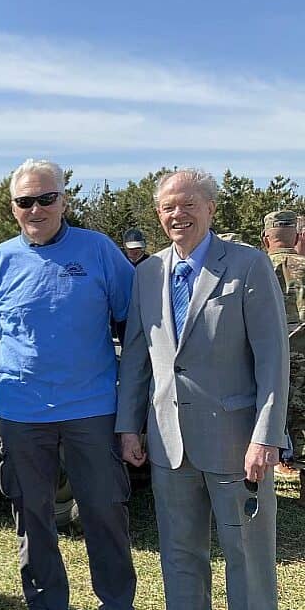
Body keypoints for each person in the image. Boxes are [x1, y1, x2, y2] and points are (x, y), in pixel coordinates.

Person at [0, 158, 137, 610]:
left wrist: (135, 403)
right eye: (25, 201)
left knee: (104, 511)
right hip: (20, 412)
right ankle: (45, 603)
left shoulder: (98, 250)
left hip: (93, 408)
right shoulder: (0, 260)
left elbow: (132, 327)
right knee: (31, 516)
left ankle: (116, 602)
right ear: (13, 207)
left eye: (46, 198)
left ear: (64, 200)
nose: (36, 209)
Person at [117, 169, 288, 610]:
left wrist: (266, 436)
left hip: (237, 444)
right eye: (169, 207)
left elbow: (273, 358)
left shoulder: (249, 264)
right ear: (158, 214)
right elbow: (138, 356)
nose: (179, 215)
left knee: (248, 560)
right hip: (168, 443)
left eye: (189, 204)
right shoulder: (148, 272)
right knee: (179, 557)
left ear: (211, 208)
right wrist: (129, 427)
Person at [261, 209, 305, 504]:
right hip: (303, 354)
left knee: (264, 419)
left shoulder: (256, 268)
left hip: (268, 360)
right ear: (297, 236)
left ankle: (260, 482)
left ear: (266, 239)